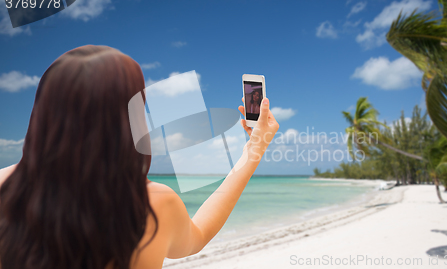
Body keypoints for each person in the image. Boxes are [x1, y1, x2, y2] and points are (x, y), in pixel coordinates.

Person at [0, 45, 279, 269]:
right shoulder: (153, 206)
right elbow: (199, 235)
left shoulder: (4, 187)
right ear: (128, 121)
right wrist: (254, 150)